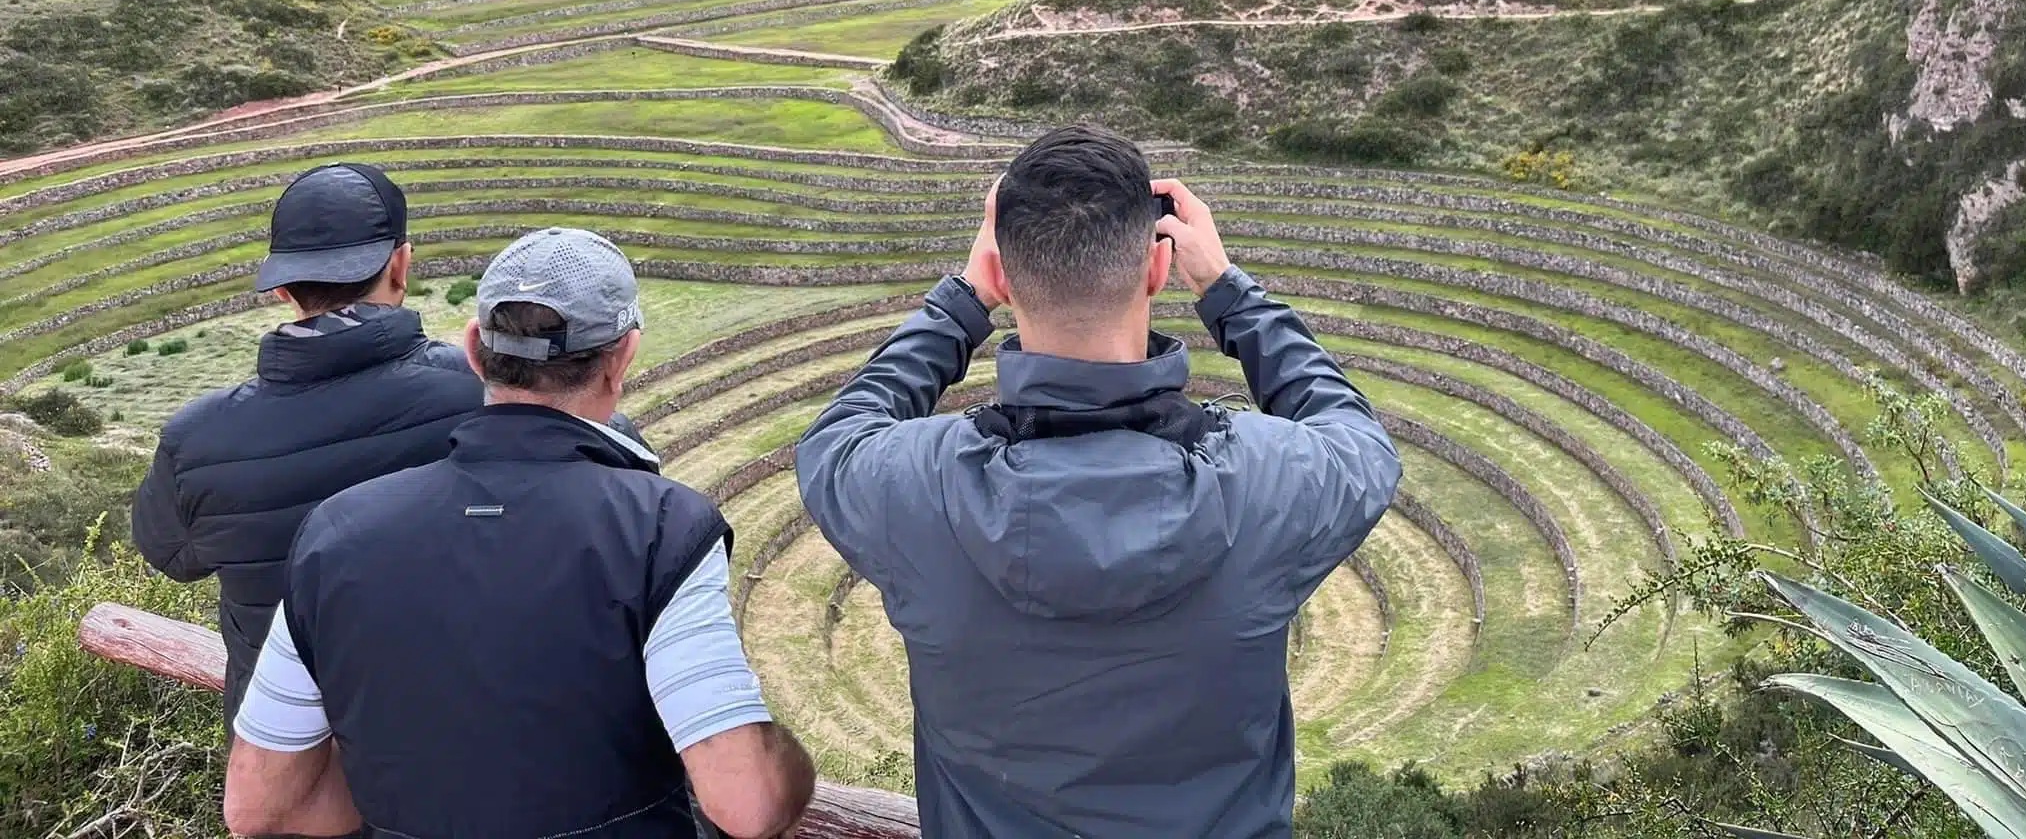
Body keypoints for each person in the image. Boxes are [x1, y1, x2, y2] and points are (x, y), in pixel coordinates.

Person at [797, 125, 1403, 838]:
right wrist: (1229, 293)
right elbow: (1359, 440)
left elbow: (837, 437)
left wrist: (962, 299)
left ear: (1005, 272)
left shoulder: (913, 488)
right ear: (1157, 269)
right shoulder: (1269, 483)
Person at [224, 226, 816, 839]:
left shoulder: (336, 532)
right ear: (624, 355)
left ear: (475, 349)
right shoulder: (663, 529)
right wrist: (789, 757)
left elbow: (259, 806)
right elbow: (749, 803)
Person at [131, 161, 482, 721]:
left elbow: (171, 556)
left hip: (286, 757)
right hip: (455, 734)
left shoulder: (195, 440)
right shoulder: (485, 393)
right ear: (401, 264)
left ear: (283, 291)